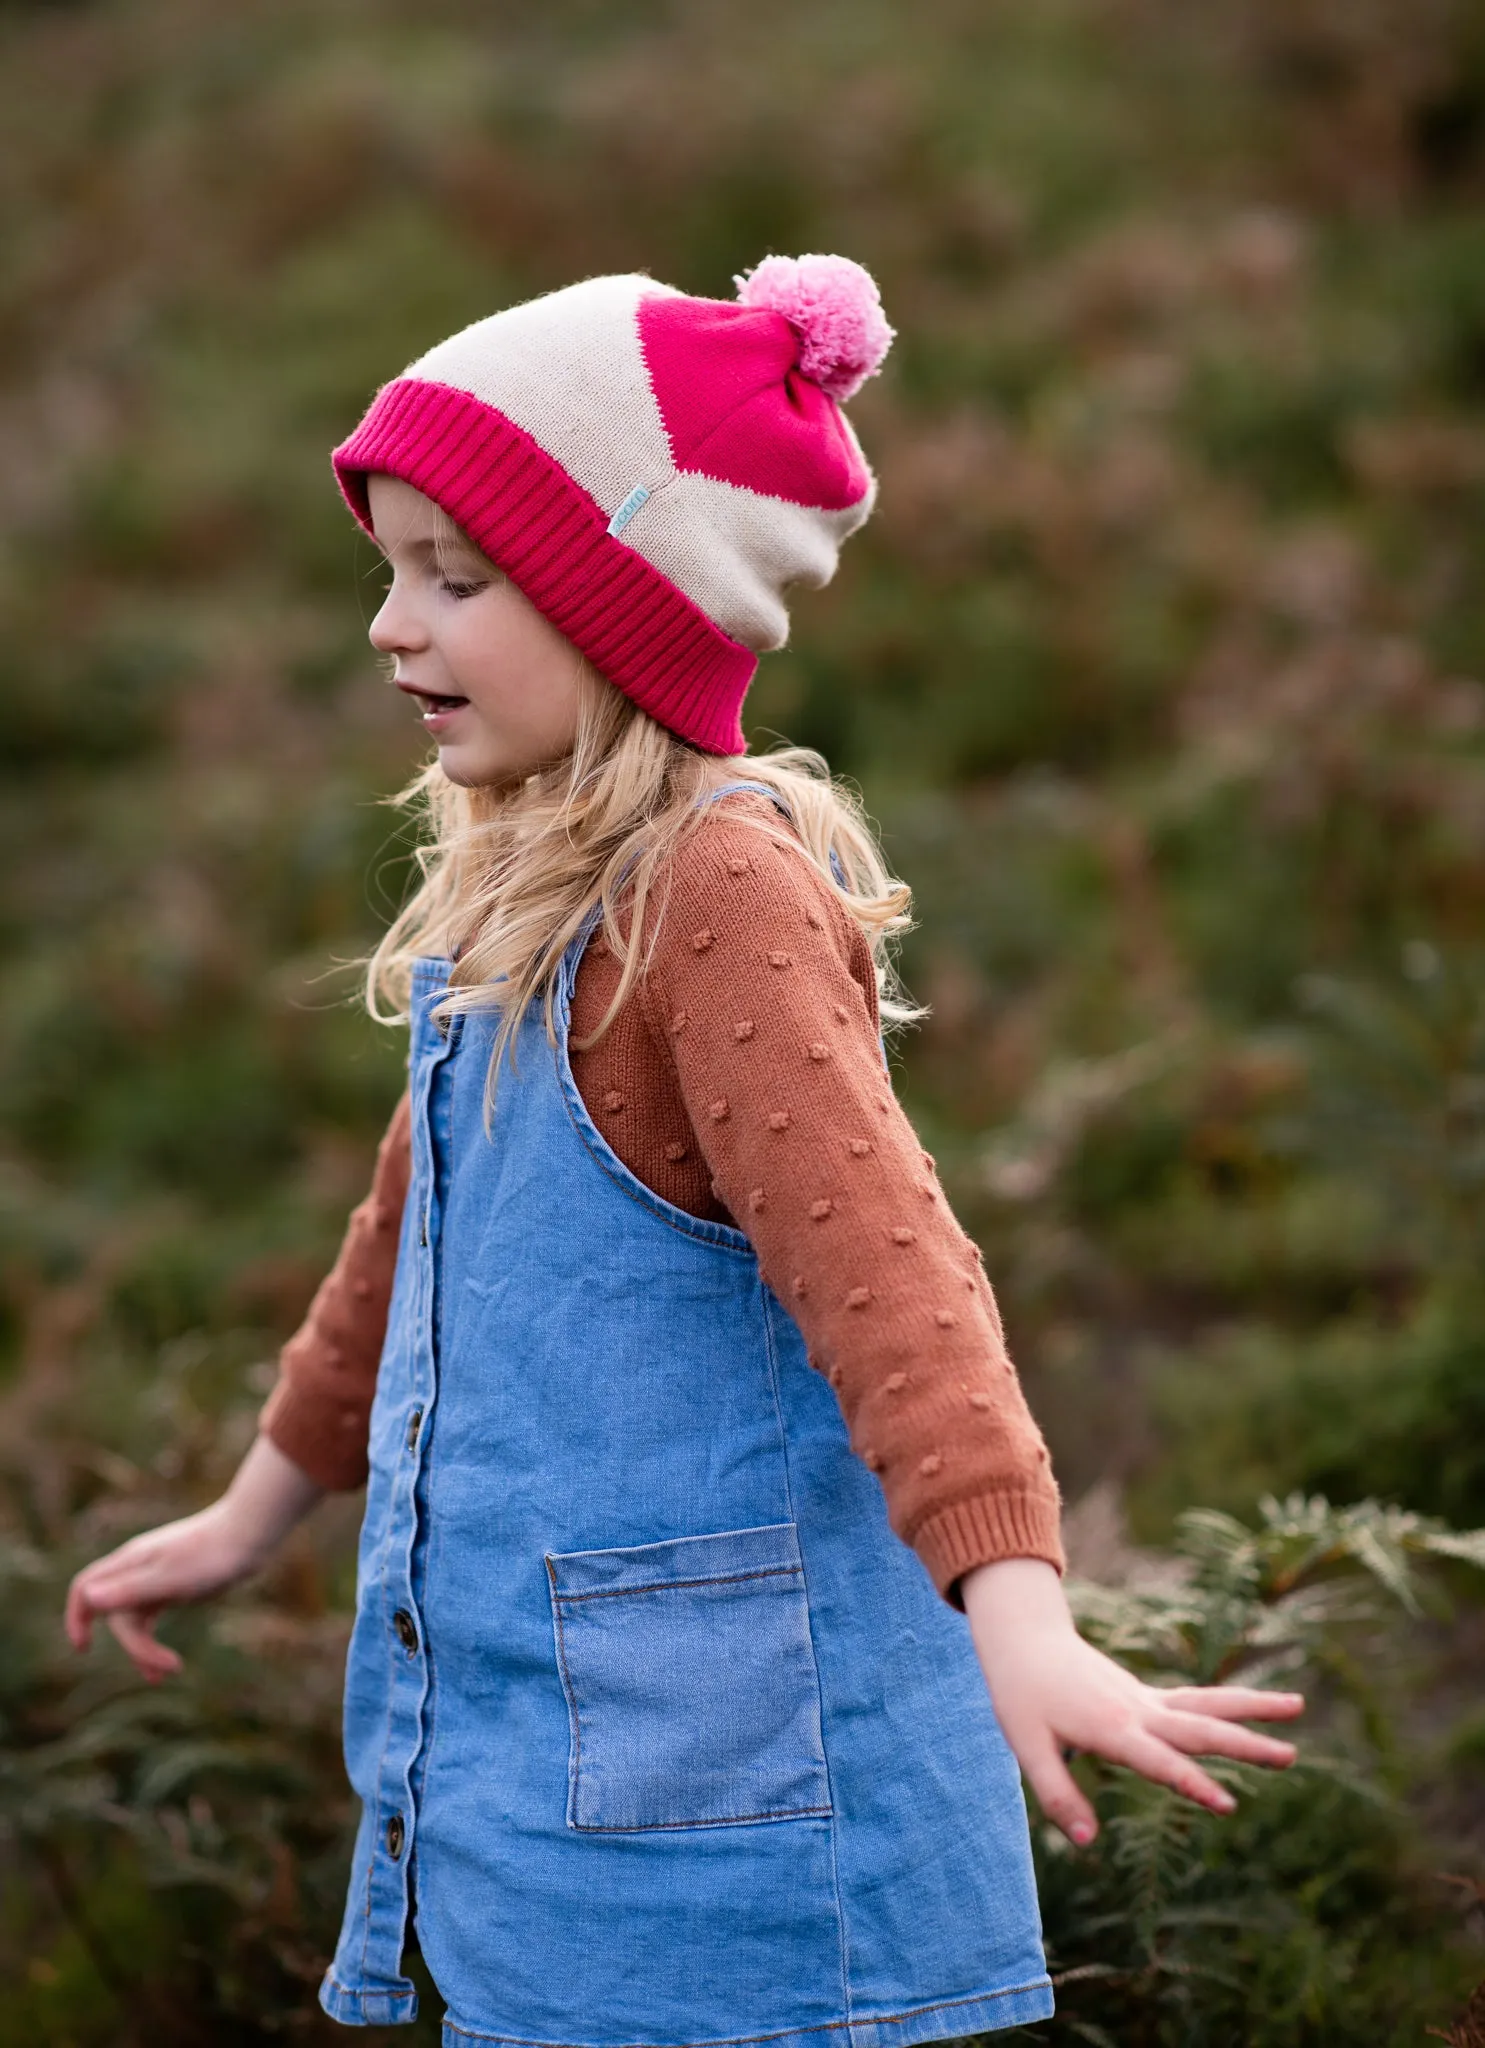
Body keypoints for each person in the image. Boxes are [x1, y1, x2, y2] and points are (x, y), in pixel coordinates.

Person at [64, 254, 1303, 2045]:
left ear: (622, 602)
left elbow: (893, 1274)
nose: (390, 628)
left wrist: (1021, 1616)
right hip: (540, 1831)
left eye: (457, 578)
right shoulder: (519, 881)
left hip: (753, 1878)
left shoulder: (711, 895)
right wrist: (256, 1508)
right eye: (389, 571)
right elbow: (413, 1238)